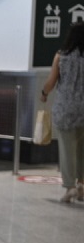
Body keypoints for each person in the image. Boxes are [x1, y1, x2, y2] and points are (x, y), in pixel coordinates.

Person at [40, 22, 84, 203]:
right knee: (82, 149)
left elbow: (51, 81)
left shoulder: (61, 56)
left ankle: (70, 187)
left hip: (66, 107)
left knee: (67, 148)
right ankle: (82, 184)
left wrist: (44, 93)